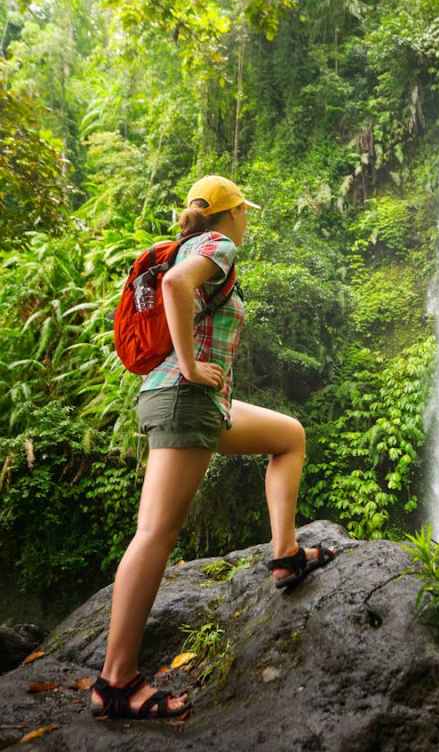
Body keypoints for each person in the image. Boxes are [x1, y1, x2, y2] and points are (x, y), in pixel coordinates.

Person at [89, 175, 335, 720]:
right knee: (155, 534)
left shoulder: (188, 245)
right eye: (244, 211)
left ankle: (285, 556)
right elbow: (176, 286)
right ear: (229, 214)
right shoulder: (216, 247)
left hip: (195, 401)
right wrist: (195, 366)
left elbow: (180, 291)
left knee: (288, 435)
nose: (247, 220)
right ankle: (115, 682)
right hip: (185, 397)